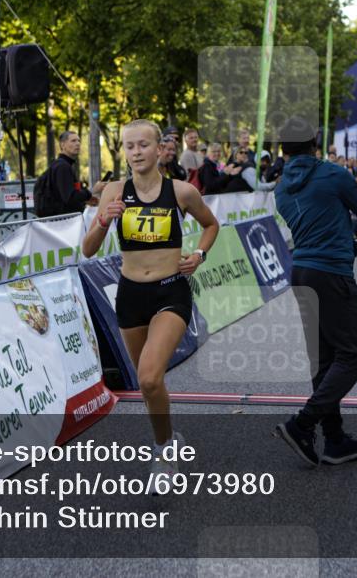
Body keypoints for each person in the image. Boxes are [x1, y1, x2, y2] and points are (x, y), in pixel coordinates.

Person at [82, 119, 219, 492]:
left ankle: (163, 452)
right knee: (149, 385)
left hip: (171, 291)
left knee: (148, 376)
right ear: (124, 151)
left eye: (144, 145)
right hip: (130, 296)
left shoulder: (182, 192)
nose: (136, 152)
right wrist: (101, 224)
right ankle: (170, 438)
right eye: (129, 146)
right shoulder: (113, 191)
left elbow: (211, 225)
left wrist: (200, 255)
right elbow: (88, 249)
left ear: (160, 150)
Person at [272, 117, 357, 467]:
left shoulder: (279, 189)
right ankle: (302, 424)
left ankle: (334, 440)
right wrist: (350, 234)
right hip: (331, 273)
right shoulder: (333, 174)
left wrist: (344, 239)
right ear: (315, 143)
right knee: (353, 355)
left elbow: (314, 229)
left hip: (301, 272)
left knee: (324, 359)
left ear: (282, 149)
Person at [34, 131, 107, 218]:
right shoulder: (62, 166)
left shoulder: (62, 165)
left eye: (79, 141)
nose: (78, 144)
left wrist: (85, 200)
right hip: (62, 223)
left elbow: (63, 196)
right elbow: (70, 198)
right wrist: (92, 191)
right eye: (73, 141)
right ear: (62, 145)